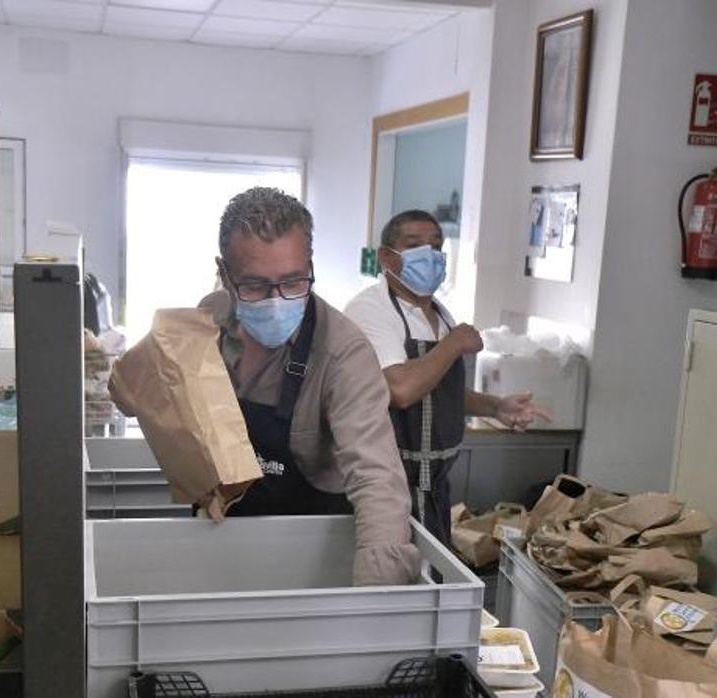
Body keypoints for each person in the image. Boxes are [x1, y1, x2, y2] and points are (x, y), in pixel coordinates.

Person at [199, 187, 420, 586]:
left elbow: (377, 480)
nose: (276, 301)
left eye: (294, 281)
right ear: (224, 272)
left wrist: (375, 610)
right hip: (219, 540)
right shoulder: (209, 323)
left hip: (309, 555)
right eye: (254, 286)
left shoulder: (343, 352)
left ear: (310, 264)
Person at [344, 210, 548, 545]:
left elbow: (438, 389)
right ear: (386, 257)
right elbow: (402, 389)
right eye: (414, 245)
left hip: (433, 488)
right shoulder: (370, 310)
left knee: (433, 585)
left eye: (436, 247)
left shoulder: (439, 313)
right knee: (392, 582)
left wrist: (496, 407)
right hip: (386, 487)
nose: (429, 256)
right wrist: (454, 344)